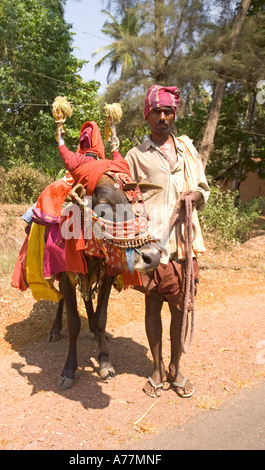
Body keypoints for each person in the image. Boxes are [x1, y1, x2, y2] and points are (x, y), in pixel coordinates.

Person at [126, 84, 210, 398]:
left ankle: (177, 369)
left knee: (181, 307)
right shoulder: (136, 156)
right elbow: (129, 199)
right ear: (147, 116)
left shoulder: (187, 147)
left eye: (168, 111)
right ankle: (157, 369)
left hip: (185, 243)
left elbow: (204, 186)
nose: (163, 117)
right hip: (150, 243)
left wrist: (197, 194)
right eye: (157, 112)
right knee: (152, 304)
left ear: (174, 113)